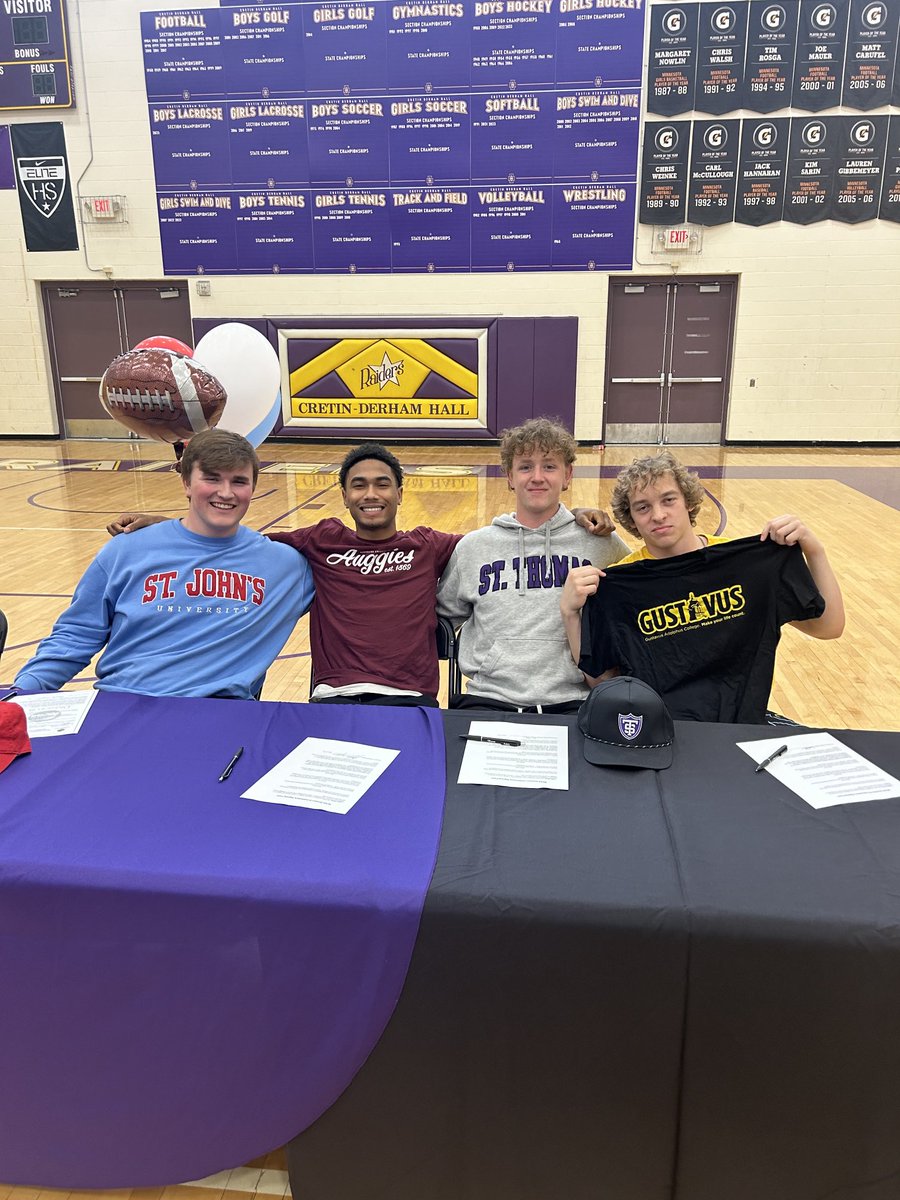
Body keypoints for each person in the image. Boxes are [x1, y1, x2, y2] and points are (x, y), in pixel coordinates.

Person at [110, 438, 615, 706]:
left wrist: (578, 518)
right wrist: (171, 524)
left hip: (410, 698)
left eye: (381, 484)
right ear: (344, 494)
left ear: (400, 491)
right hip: (333, 695)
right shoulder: (319, 540)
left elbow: (509, 545)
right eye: (357, 485)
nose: (370, 494)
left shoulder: (430, 546)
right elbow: (240, 541)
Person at [15, 430, 314, 701]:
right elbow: (77, 634)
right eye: (211, 478)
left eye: (239, 481)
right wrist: (22, 692)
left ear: (253, 487)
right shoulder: (127, 548)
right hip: (122, 701)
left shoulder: (287, 567)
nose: (226, 492)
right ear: (186, 482)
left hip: (221, 713)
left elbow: (356, 567)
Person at [560, 450, 845, 723]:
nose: (658, 515)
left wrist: (814, 550)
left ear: (689, 503)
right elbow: (603, 682)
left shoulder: (743, 567)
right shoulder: (619, 582)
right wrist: (571, 615)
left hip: (739, 728)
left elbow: (829, 628)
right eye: (643, 507)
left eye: (668, 500)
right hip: (658, 732)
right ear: (631, 518)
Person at [436, 418, 630, 712]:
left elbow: (635, 607)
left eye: (549, 466)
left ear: (568, 475)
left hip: (575, 702)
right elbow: (441, 623)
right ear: (510, 477)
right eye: (525, 466)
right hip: (488, 700)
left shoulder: (602, 544)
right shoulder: (474, 548)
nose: (537, 477)